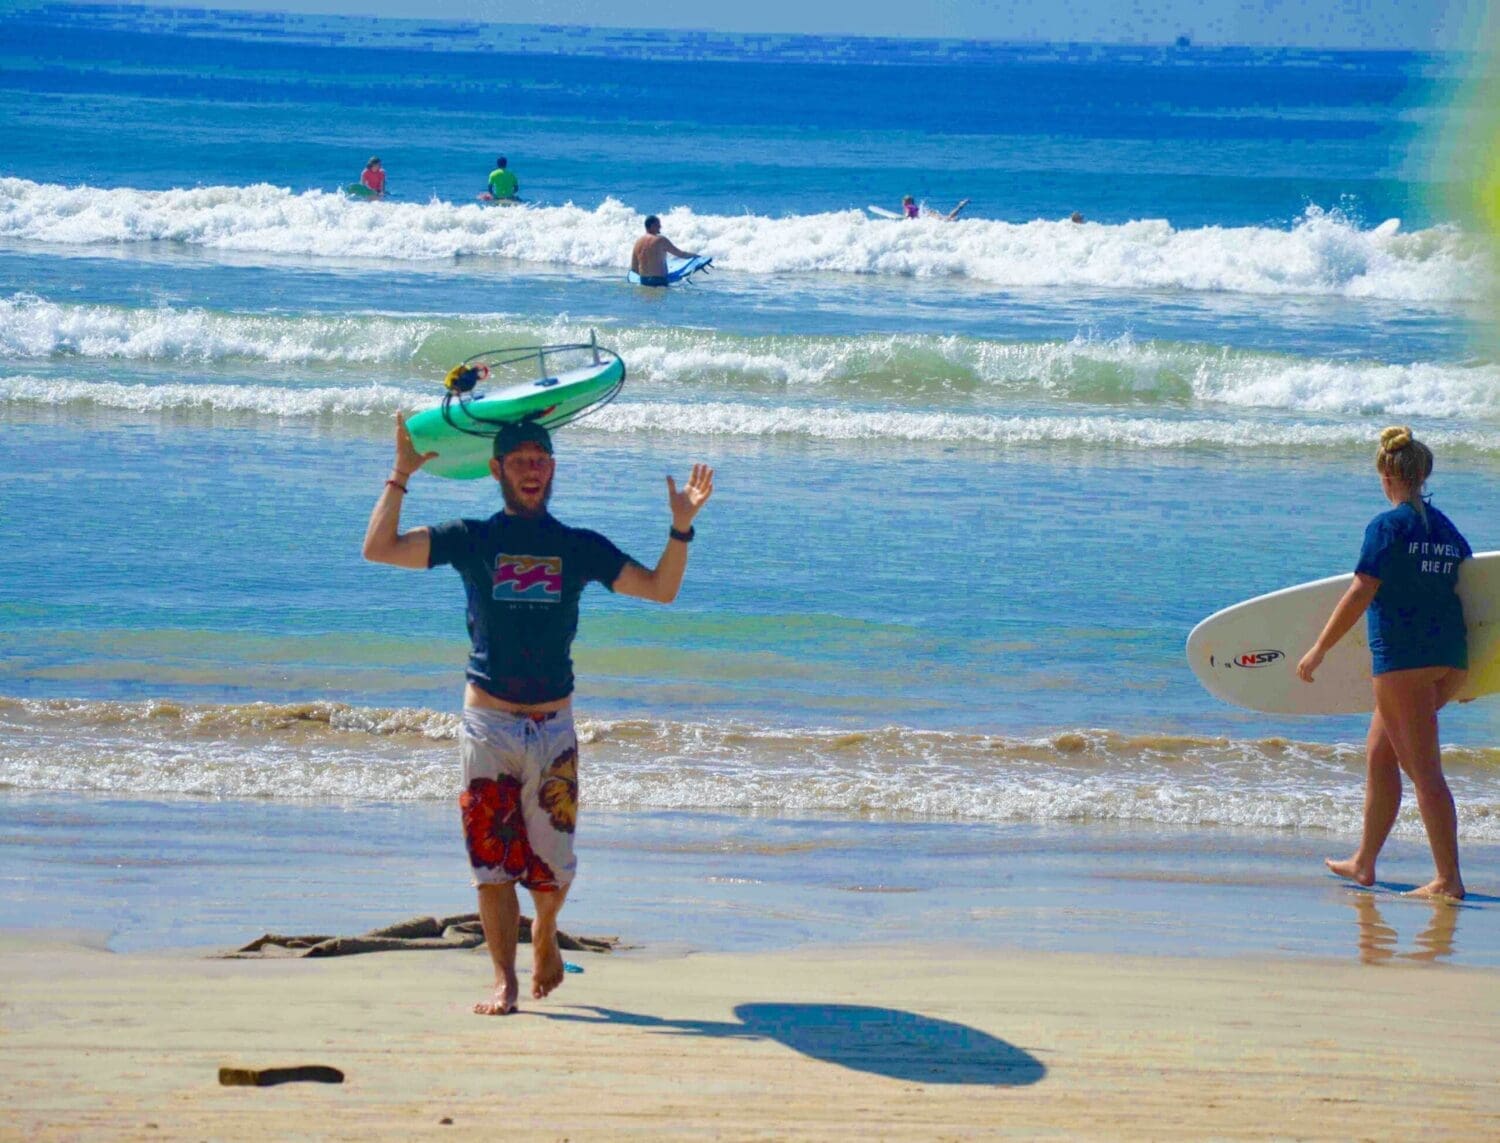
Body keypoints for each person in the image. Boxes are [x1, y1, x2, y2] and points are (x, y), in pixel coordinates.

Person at [362, 416, 714, 1014]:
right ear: (496, 469)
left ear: (553, 470)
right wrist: (400, 473)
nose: (532, 468)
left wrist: (680, 528)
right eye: (520, 459)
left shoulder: (578, 546)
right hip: (489, 724)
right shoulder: (470, 537)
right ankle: (504, 980)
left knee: (554, 866)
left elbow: (660, 590)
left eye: (541, 458)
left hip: (553, 728)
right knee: (490, 863)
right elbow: (380, 549)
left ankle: (545, 931)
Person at [1297, 426, 1471, 899]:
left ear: (1387, 476)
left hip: (1404, 662)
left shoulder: (1387, 526)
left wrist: (1320, 649)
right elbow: (1474, 592)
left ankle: (1448, 880)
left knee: (1425, 771)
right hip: (1449, 658)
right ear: (1423, 474)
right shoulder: (1446, 529)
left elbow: (1361, 590)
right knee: (1380, 756)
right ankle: (1364, 861)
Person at [630, 215, 701, 287]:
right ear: (652, 226)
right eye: (658, 224)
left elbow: (634, 268)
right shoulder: (661, 240)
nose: (660, 226)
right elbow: (680, 254)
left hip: (644, 281)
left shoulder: (637, 242)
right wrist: (696, 256)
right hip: (659, 281)